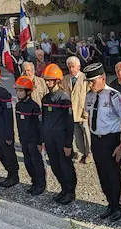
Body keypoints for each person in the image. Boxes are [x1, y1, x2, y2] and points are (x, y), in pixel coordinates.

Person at [84, 62, 121, 222]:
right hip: (96, 140)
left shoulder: (115, 96)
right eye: (88, 81)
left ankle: (119, 205)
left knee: (114, 174)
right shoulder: (90, 96)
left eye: (93, 81)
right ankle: (110, 203)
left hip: (111, 140)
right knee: (102, 174)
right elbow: (89, 116)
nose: (90, 84)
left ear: (103, 78)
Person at [41, 63, 76, 205]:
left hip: (62, 140)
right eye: (46, 80)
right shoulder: (45, 99)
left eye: (50, 80)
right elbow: (43, 120)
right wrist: (43, 139)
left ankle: (70, 192)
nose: (48, 83)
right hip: (50, 140)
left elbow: (70, 123)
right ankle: (63, 188)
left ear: (57, 81)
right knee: (55, 165)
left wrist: (68, 144)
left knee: (66, 166)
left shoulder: (64, 99)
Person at [14, 76, 46, 195]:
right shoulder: (18, 106)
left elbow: (39, 126)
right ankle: (34, 182)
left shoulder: (34, 106)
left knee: (36, 162)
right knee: (27, 162)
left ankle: (41, 184)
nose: (18, 93)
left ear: (28, 91)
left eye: (21, 90)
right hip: (24, 139)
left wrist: (39, 142)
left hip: (33, 140)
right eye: (17, 90)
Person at [62, 56, 92, 164]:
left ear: (79, 66)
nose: (72, 69)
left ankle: (89, 154)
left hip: (83, 111)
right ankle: (80, 152)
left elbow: (89, 96)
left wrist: (87, 110)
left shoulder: (85, 79)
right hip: (72, 112)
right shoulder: (65, 79)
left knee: (87, 133)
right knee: (77, 134)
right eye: (69, 67)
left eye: (73, 67)